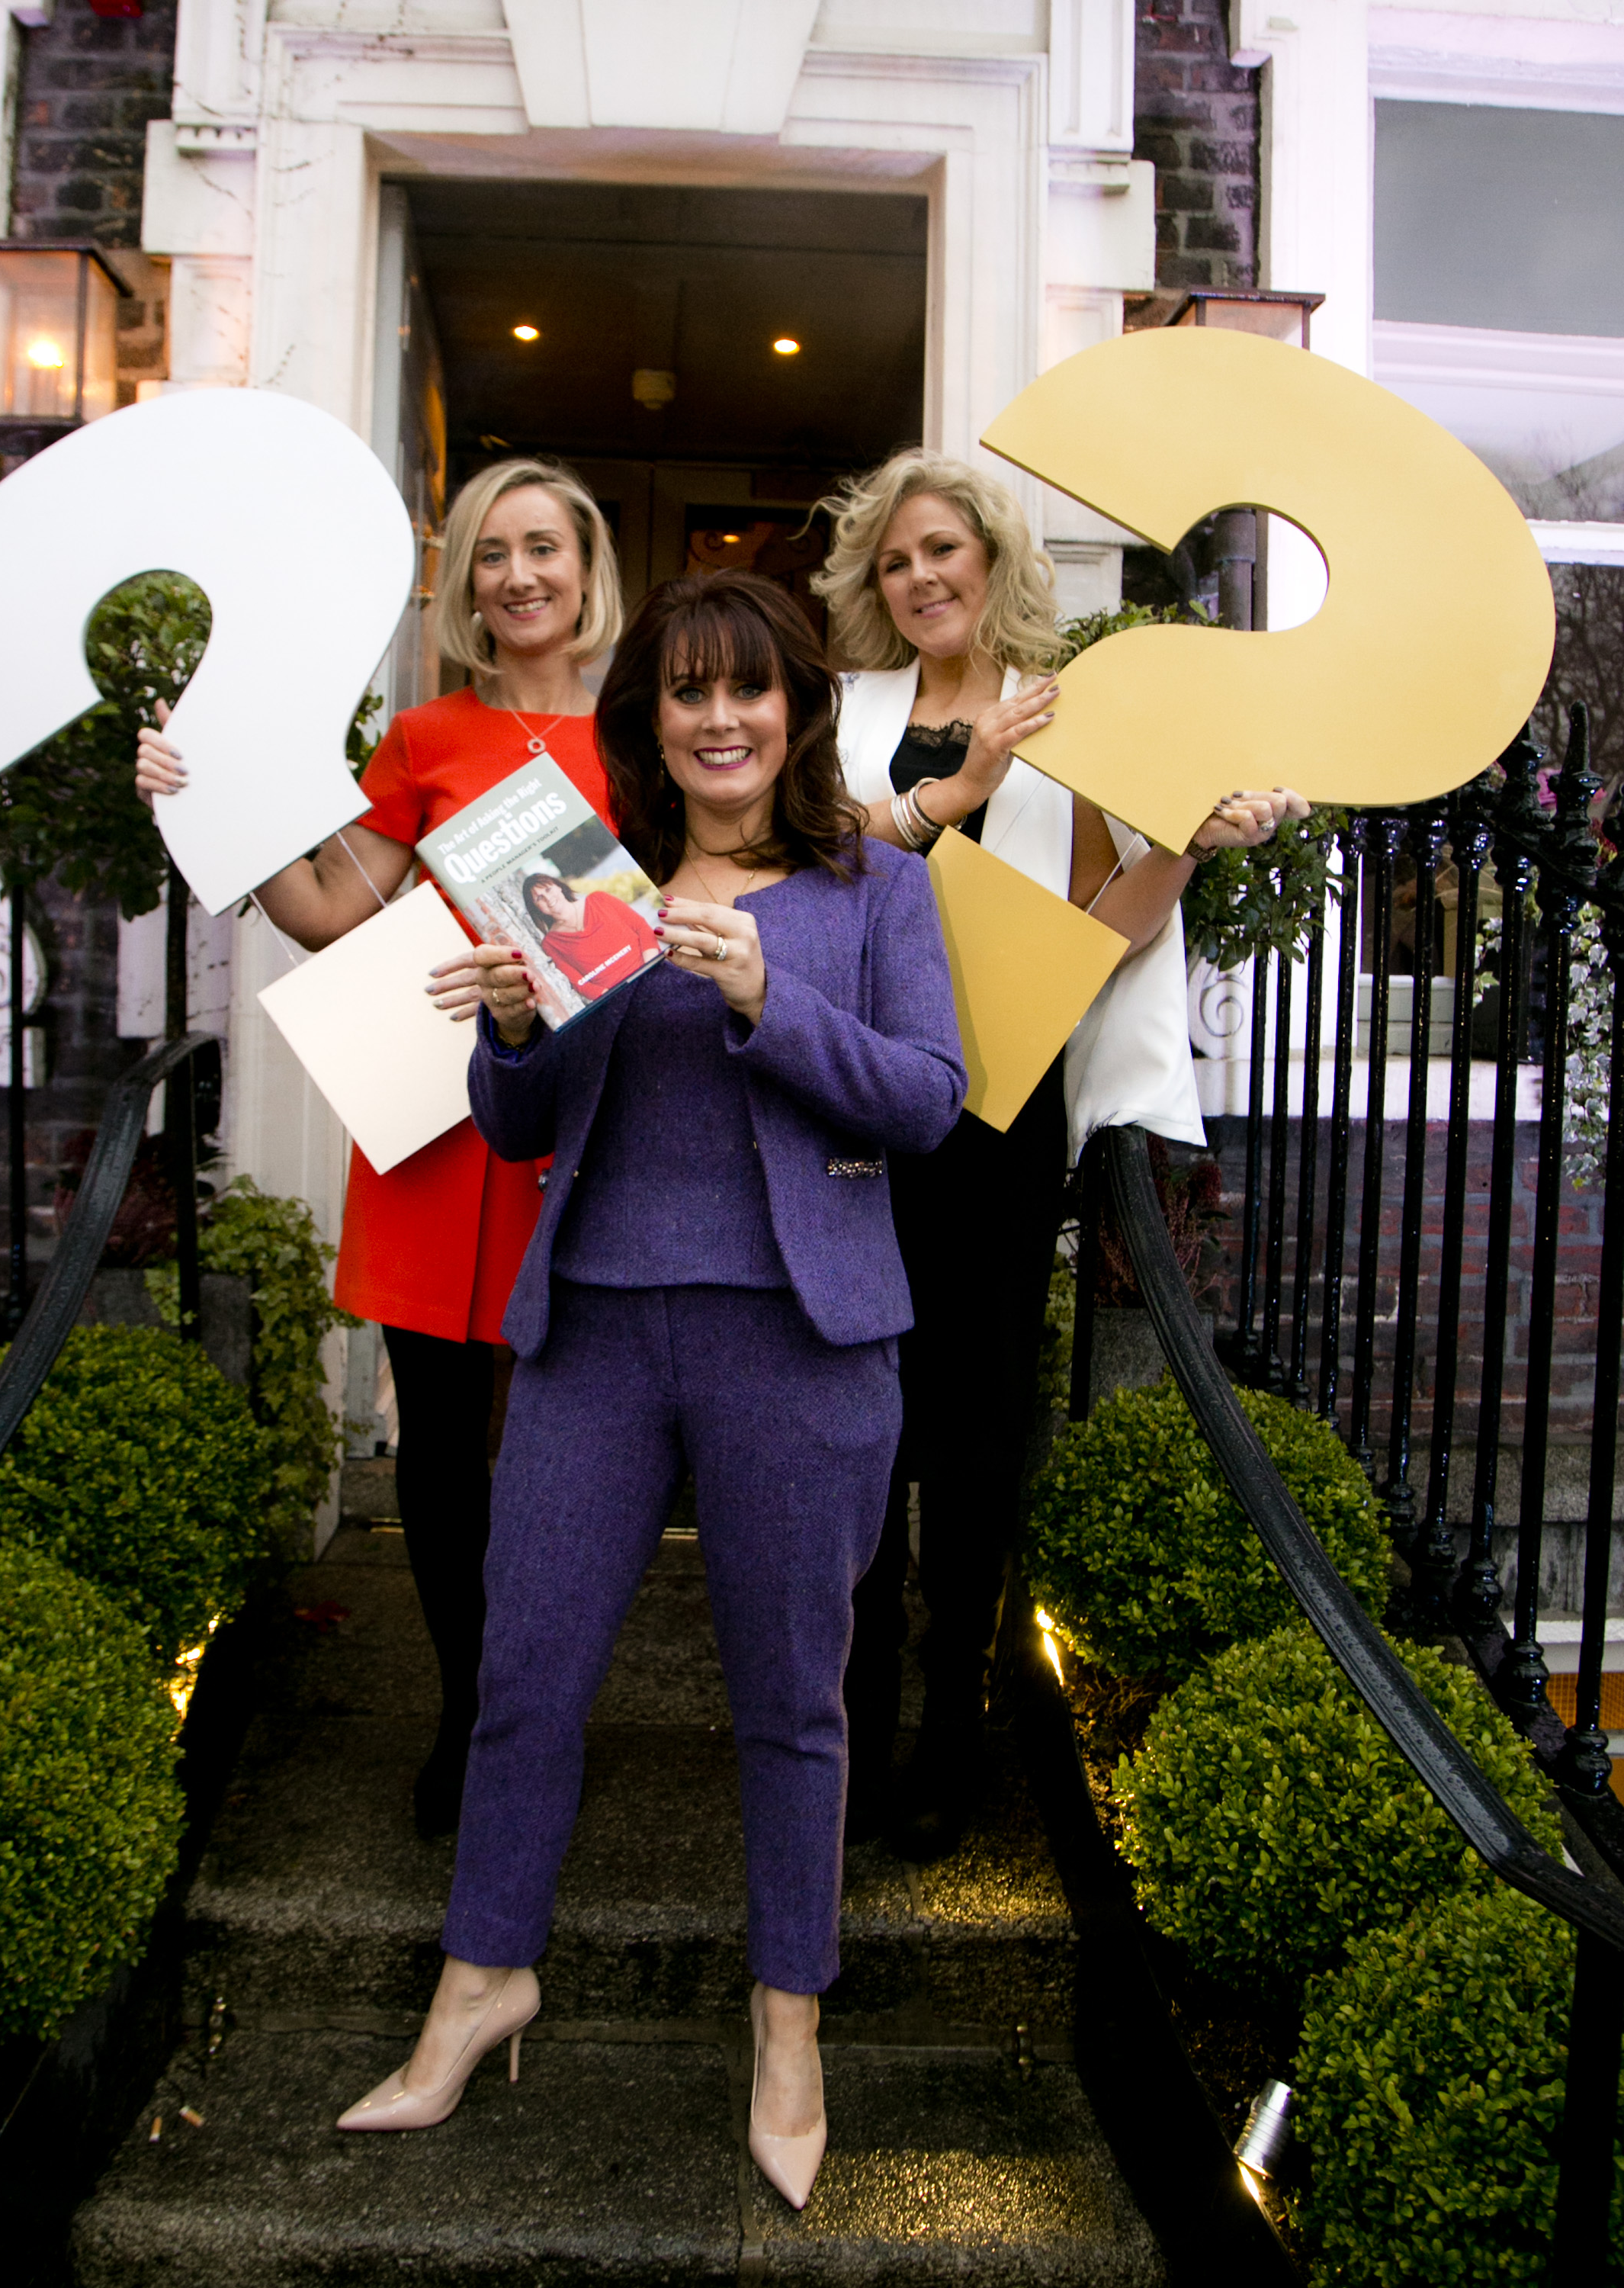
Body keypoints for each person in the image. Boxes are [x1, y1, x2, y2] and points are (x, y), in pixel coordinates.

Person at [335, 571, 968, 2212]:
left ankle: (787, 2025)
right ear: (652, 719)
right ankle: (483, 1982)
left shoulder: (869, 887)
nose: (720, 719)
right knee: (527, 1673)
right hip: (598, 1331)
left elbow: (927, 1103)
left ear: (798, 709)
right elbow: (525, 1123)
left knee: (793, 1698)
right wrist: (519, 1025)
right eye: (689, 692)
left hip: (802, 1341)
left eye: (749, 690)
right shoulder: (576, 875)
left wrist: (769, 997)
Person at [810, 449, 1308, 1858]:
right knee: (851, 1428)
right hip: (847, 1105)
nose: (921, 579)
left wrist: (1189, 845)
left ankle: (952, 1743)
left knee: (972, 1442)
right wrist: (949, 793)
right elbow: (803, 865)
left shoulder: (1065, 713)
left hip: (992, 1111)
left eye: (943, 554)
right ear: (874, 580)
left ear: (994, 563)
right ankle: (840, 1736)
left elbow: (1109, 918)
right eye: (897, 560)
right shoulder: (839, 717)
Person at [135, 456, 624, 1839]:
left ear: (586, 567)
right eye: (489, 554)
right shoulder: (427, 736)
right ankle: (471, 1712)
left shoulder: (647, 734)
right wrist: (194, 802)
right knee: (436, 1447)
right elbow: (327, 910)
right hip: (436, 1119)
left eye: (543, 547)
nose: (518, 575)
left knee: (565, 1453)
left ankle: (541, 1716)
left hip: (582, 1127)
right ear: (463, 582)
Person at [519, 869, 663, 1001]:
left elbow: (642, 928)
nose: (547, 898)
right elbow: (581, 984)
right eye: (539, 898)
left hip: (654, 971)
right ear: (537, 909)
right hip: (622, 998)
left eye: (548, 889)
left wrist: (650, 970)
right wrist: (619, 998)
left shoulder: (600, 899)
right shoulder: (551, 944)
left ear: (559, 887)